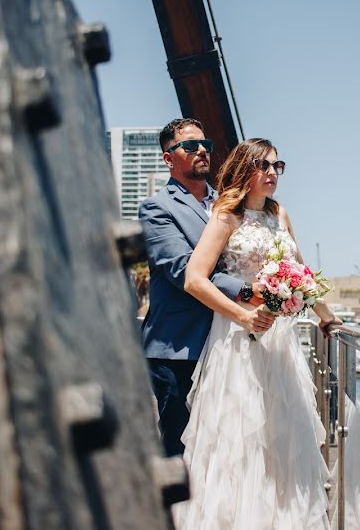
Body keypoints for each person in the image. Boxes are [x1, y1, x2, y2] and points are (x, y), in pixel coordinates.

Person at [175, 138, 341, 530]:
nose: (272, 173)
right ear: (244, 170)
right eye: (263, 166)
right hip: (237, 338)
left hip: (280, 342)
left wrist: (327, 316)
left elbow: (301, 270)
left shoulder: (280, 214)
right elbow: (195, 280)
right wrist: (243, 317)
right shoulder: (225, 216)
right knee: (239, 433)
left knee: (280, 430)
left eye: (277, 166)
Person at [139, 119, 275, 457]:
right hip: (178, 349)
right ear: (168, 159)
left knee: (225, 450)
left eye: (206, 145)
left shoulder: (230, 205)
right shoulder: (157, 210)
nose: (202, 150)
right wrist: (247, 290)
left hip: (229, 344)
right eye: (189, 146)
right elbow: (184, 270)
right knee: (181, 447)